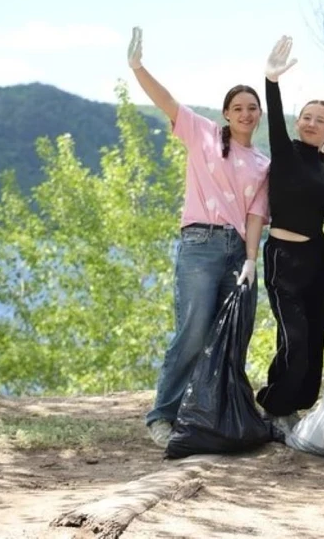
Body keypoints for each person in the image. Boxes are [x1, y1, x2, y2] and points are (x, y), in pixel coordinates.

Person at [127, 27, 269, 448]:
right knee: (192, 332)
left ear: (260, 114)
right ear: (226, 113)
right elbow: (166, 101)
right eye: (237, 108)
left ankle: (216, 414)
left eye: (252, 108)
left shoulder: (262, 163)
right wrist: (138, 67)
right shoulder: (203, 133)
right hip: (200, 246)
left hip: (237, 252)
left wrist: (251, 260)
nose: (245, 113)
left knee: (232, 336)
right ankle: (162, 415)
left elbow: (256, 215)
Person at [253, 35, 324, 437]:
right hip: (283, 257)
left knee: (315, 336)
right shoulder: (284, 152)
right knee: (295, 337)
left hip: (317, 258)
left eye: (320, 120)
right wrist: (271, 80)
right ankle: (273, 406)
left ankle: (294, 406)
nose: (311, 123)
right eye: (306, 116)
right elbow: (273, 115)